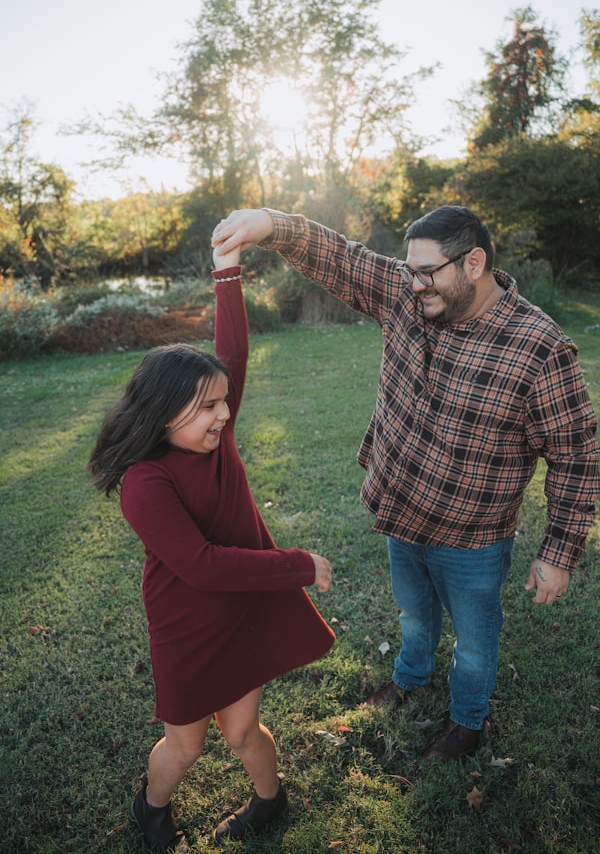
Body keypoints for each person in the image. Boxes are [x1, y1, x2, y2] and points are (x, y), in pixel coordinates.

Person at [211, 205, 600, 762]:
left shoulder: (539, 347)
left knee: (474, 642)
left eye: (427, 273)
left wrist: (559, 553)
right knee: (414, 614)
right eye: (409, 271)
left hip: (475, 537)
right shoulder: (408, 294)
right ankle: (410, 677)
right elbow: (341, 258)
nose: (414, 285)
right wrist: (270, 225)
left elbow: (576, 454)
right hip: (403, 514)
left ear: (474, 263)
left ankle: (467, 722)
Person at [88, 242, 335, 851]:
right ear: (165, 413)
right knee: (187, 743)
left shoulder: (213, 440)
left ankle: (270, 800)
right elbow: (199, 566)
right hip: (188, 621)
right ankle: (151, 808)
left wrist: (227, 273)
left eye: (225, 401)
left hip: (242, 608)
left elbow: (232, 355)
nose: (225, 415)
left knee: (245, 729)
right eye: (208, 407)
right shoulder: (146, 482)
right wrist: (297, 565)